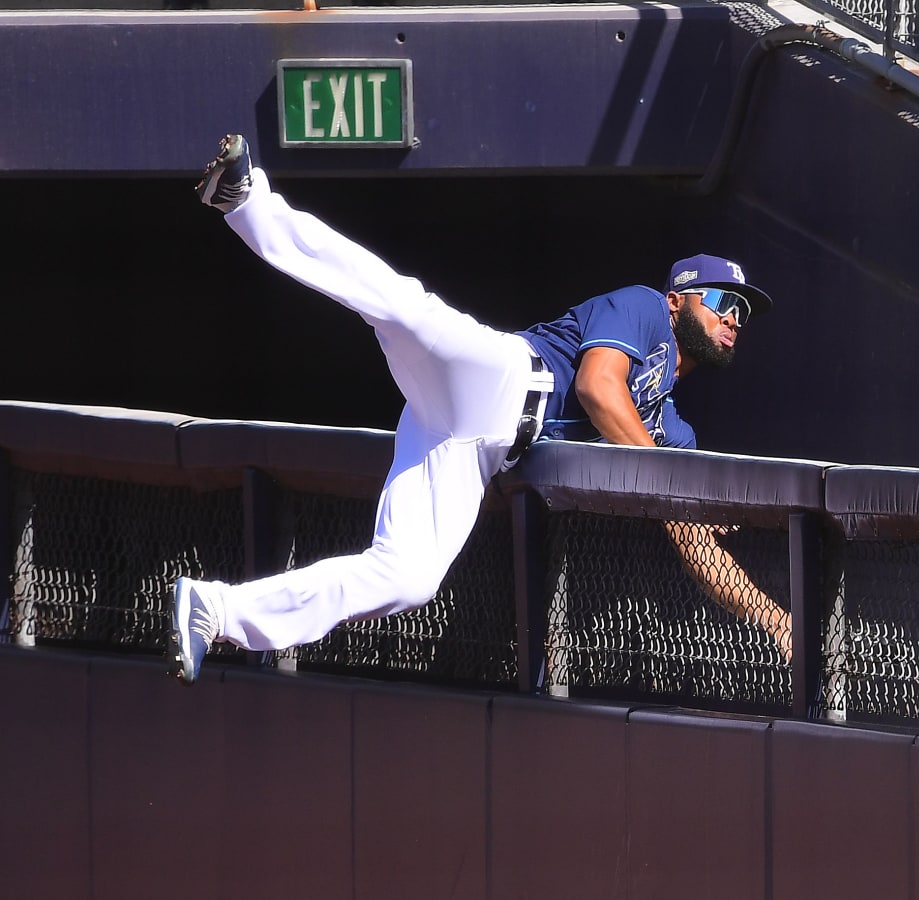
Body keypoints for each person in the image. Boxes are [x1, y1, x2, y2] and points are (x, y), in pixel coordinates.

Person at [170, 133, 790, 686]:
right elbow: (599, 388)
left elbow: (690, 534)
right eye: (719, 299)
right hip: (498, 379)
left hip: (477, 450)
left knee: (408, 578)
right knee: (400, 305)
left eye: (744, 311)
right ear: (679, 300)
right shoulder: (645, 309)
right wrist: (669, 486)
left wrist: (775, 619)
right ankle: (249, 200)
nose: (734, 316)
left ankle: (217, 610)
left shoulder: (671, 429)